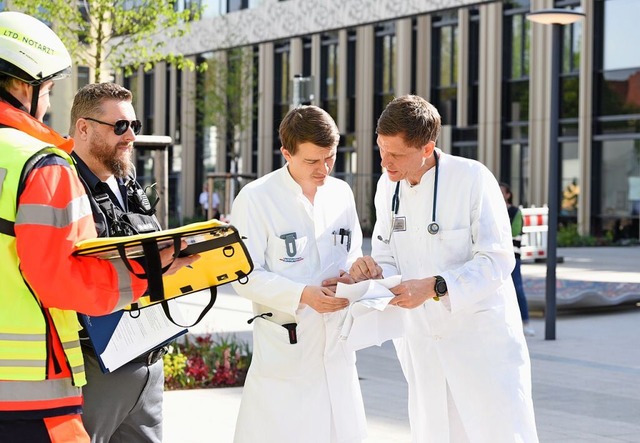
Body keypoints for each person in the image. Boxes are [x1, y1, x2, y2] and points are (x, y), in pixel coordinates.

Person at [0, 11, 189, 443]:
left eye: (134, 126)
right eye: (46, 90)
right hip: (37, 394)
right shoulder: (41, 165)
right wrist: (149, 273)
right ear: (24, 87)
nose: (46, 104)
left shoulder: (129, 184)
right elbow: (64, 280)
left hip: (139, 359)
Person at [350, 95, 539, 442]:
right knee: (435, 431)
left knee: (496, 430)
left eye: (396, 154)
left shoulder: (472, 179)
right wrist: (373, 271)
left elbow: (496, 259)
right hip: (422, 337)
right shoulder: (386, 186)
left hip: (478, 338)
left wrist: (437, 286)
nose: (384, 163)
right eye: (381, 150)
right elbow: (387, 252)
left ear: (426, 148)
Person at [68, 82, 197, 443]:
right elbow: (73, 272)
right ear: (83, 127)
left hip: (148, 361)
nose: (130, 137)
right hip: (98, 365)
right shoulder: (64, 185)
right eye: (120, 127)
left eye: (134, 126)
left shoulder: (128, 183)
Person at [230, 105, 367, 443]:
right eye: (312, 161)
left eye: (330, 158)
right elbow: (243, 277)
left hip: (336, 342)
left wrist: (354, 274)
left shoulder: (341, 194)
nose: (324, 169)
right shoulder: (256, 199)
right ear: (286, 153)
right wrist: (303, 295)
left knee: (340, 429)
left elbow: (351, 253)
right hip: (286, 348)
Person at [500, 183, 535, 337]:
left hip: (513, 257)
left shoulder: (515, 212)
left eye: (502, 192)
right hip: (496, 256)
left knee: (518, 289)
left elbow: (514, 232)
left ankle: (526, 322)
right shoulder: (490, 209)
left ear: (508, 195)